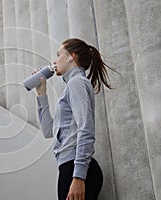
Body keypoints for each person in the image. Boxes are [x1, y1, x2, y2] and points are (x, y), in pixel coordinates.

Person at [33, 38, 118, 200]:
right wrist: (41, 93)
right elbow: (48, 131)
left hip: (75, 170)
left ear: (71, 56)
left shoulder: (77, 83)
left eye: (59, 55)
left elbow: (86, 128)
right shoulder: (72, 85)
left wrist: (79, 177)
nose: (55, 61)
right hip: (68, 167)